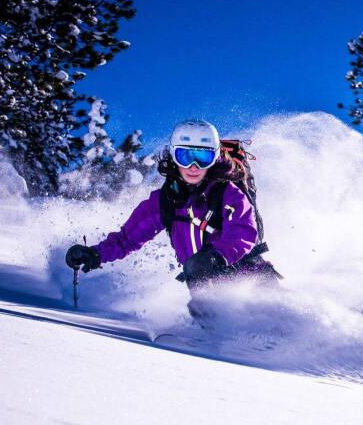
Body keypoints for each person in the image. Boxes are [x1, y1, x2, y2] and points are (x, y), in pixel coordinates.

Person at [65, 120, 278, 296]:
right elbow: (127, 239)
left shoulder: (227, 192)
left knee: (277, 318)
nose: (193, 167)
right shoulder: (165, 201)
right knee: (210, 312)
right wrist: (94, 254)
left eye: (203, 158)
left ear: (214, 159)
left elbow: (243, 231)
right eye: (185, 157)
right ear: (174, 157)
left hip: (250, 274)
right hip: (204, 288)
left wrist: (215, 257)